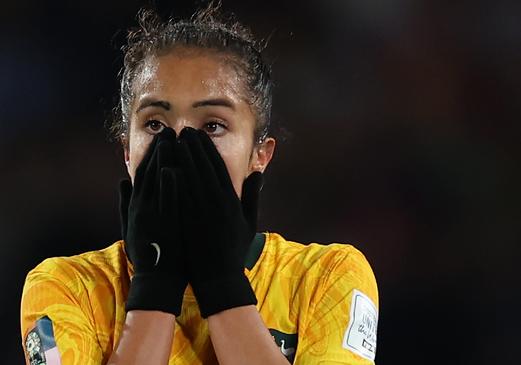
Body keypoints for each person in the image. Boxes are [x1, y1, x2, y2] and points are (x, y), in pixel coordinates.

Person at [20, 3, 379, 365]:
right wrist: (155, 288)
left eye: (212, 126)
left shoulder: (327, 277)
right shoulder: (65, 287)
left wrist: (222, 283)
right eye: (156, 124)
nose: (179, 147)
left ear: (260, 155)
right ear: (127, 151)